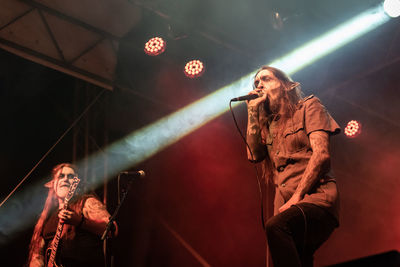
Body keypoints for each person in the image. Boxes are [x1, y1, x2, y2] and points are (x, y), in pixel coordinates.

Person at [246, 66, 340, 267]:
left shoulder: (308, 106)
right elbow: (253, 156)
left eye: (266, 79)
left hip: (316, 200)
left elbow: (322, 154)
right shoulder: (268, 126)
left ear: (286, 86)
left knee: (276, 227)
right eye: (256, 83)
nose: (259, 85)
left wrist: (297, 197)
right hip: (286, 205)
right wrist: (252, 112)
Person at [27, 163, 117, 267]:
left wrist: (79, 221)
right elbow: (37, 255)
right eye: (61, 176)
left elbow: (112, 229)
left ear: (76, 184)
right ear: (53, 184)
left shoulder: (86, 203)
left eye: (70, 176)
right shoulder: (47, 216)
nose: (65, 179)